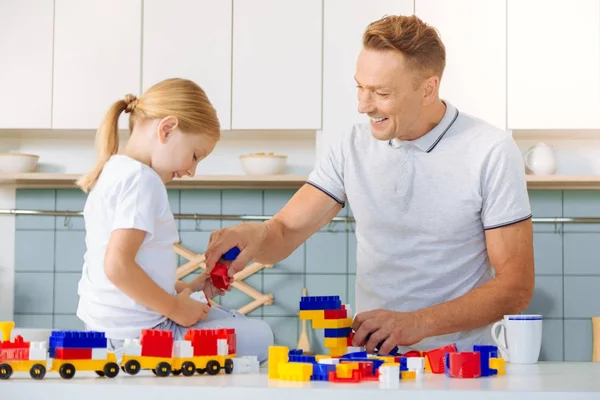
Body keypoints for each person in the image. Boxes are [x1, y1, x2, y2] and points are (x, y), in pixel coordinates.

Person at [204, 15, 535, 355]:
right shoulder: (352, 146)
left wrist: (416, 324)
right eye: (360, 87)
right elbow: (285, 232)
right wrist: (251, 235)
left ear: (428, 88)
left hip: (462, 364)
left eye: (381, 92)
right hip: (374, 363)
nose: (363, 105)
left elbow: (515, 286)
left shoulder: (489, 150)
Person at [74, 78, 273, 362]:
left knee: (236, 322)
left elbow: (130, 275)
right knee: (261, 335)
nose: (191, 170)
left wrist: (191, 290)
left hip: (110, 332)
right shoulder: (143, 181)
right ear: (167, 129)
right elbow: (117, 267)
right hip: (141, 339)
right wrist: (175, 309)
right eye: (194, 156)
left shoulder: (114, 171)